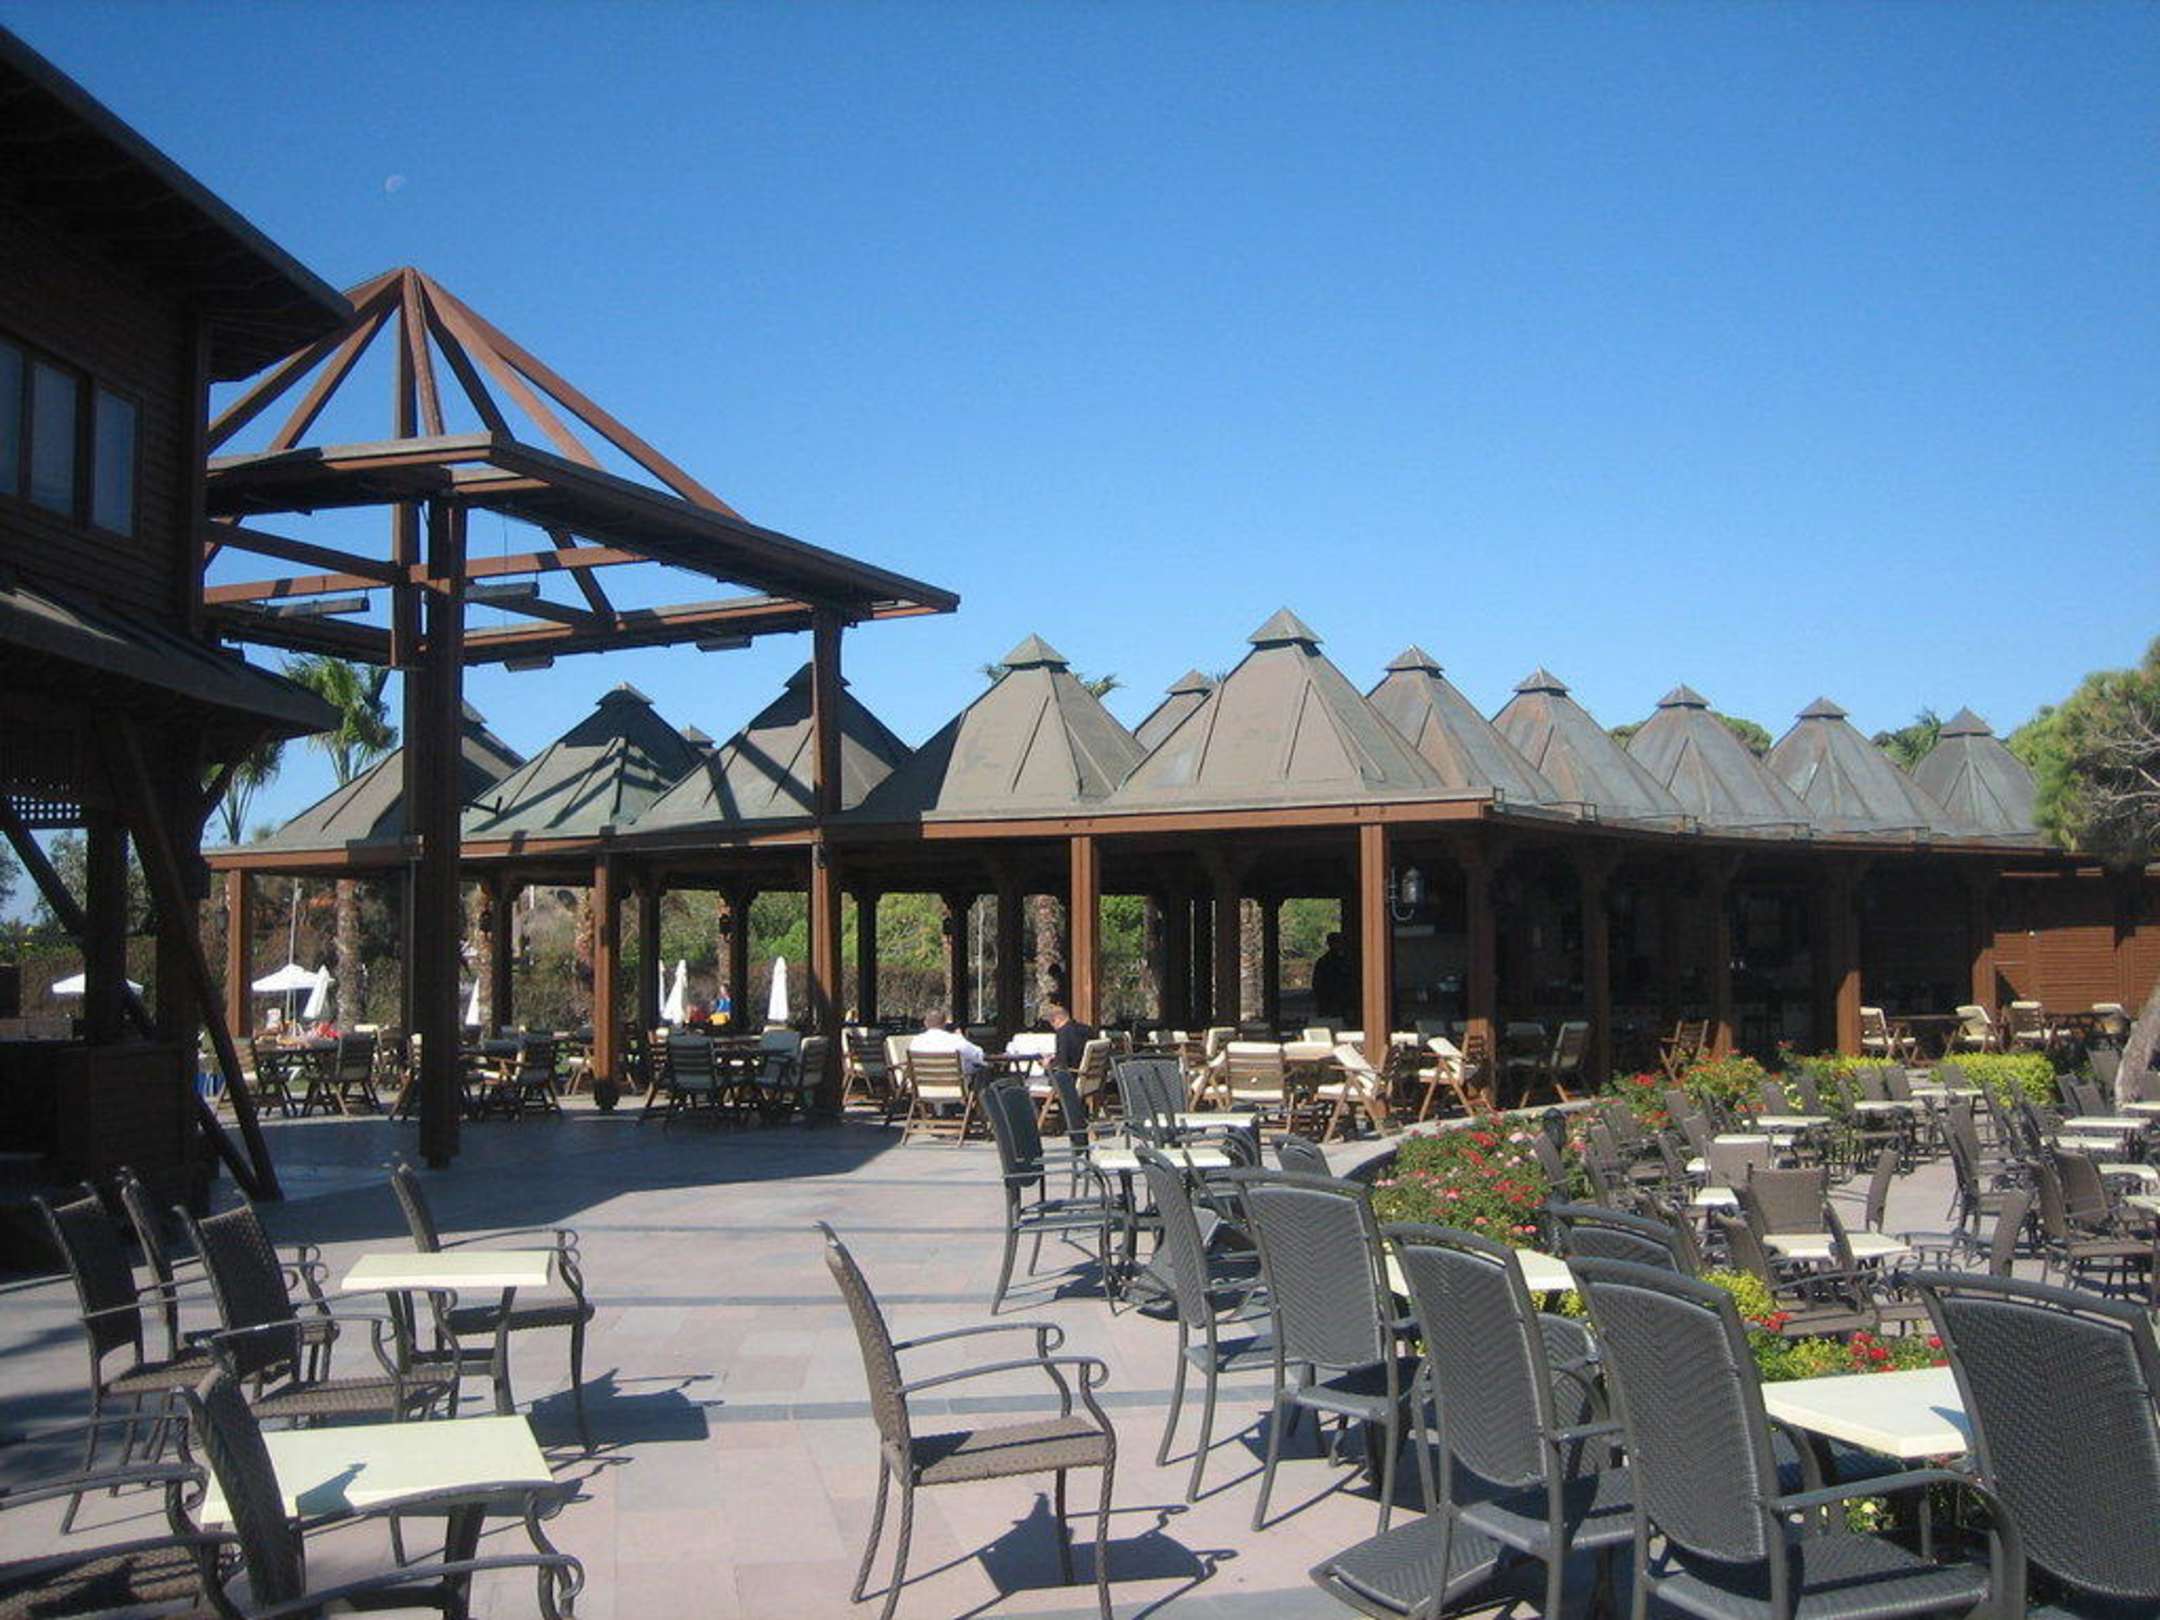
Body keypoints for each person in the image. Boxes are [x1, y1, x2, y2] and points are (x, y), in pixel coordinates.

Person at [909, 1010, 984, 1077]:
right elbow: (978, 1055)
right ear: (945, 1023)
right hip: (954, 1085)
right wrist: (961, 1037)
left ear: (925, 1023)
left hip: (923, 1086)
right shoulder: (956, 1040)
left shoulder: (916, 1041)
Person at [1311, 931, 1353, 1022]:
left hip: (1346, 1001)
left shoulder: (1348, 960)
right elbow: (1317, 984)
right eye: (1336, 942)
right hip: (1330, 1001)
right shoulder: (1324, 962)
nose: (1339, 945)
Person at [1044, 1001, 1095, 1074]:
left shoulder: (1063, 1033)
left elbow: (1062, 1063)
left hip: (1074, 1075)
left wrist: (1048, 1064)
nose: (1054, 1027)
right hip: (1092, 1074)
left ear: (1058, 1019)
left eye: (1052, 1022)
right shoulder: (1087, 1029)